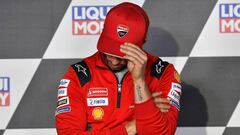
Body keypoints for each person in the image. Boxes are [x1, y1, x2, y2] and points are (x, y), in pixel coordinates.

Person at [55, 2, 181, 135]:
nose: (114, 61)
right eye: (109, 51)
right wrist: (131, 128)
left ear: (142, 44)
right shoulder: (78, 75)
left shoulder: (163, 73)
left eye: (123, 55)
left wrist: (139, 81)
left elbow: (162, 133)